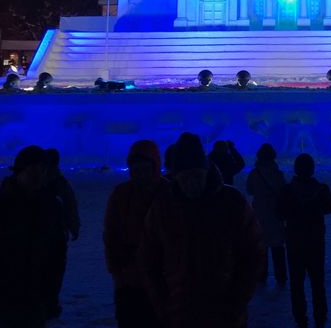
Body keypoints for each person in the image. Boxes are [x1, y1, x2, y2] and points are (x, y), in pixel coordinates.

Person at [139, 131, 264, 328]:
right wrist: (163, 305)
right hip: (180, 314)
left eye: (197, 176)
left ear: (206, 171)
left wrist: (236, 301)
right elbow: (149, 259)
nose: (192, 183)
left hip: (225, 313)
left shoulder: (232, 203)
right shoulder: (162, 207)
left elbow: (252, 254)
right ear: (175, 177)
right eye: (185, 177)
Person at [0, 145, 62, 328]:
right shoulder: (0, 209)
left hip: (35, 297)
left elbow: (57, 255)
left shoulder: (50, 208)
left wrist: (51, 295)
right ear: (19, 172)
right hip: (4, 296)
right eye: (33, 170)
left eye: (42, 170)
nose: (38, 175)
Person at [104, 139, 170, 328]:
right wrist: (116, 267)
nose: (140, 174)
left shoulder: (168, 193)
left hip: (162, 278)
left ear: (154, 167)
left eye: (145, 168)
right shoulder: (121, 193)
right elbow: (111, 233)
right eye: (136, 169)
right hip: (129, 278)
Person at [277, 153, 331, 328]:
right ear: (312, 169)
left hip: (294, 241)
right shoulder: (321, 189)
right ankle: (320, 315)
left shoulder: (287, 190)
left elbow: (280, 213)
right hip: (315, 240)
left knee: (296, 282)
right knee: (318, 281)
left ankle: (300, 317)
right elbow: (330, 207)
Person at [44, 148, 81, 319]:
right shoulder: (61, 183)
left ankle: (49, 302)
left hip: (53, 234)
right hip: (56, 234)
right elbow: (71, 207)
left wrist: (74, 226)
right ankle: (51, 302)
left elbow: (70, 206)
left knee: (52, 270)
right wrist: (74, 227)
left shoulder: (48, 183)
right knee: (54, 271)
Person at [246, 143, 288, 285]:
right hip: (275, 212)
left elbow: (250, 190)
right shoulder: (278, 174)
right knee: (277, 246)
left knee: (261, 245)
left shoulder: (254, 174)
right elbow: (283, 191)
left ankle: (261, 275)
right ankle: (281, 276)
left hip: (260, 212)